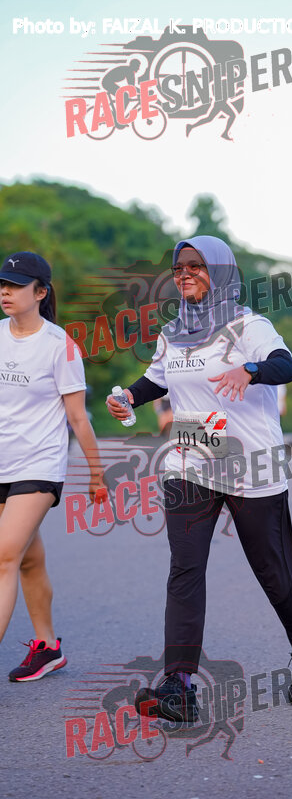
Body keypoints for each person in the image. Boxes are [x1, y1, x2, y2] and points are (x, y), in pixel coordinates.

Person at [106, 235, 292, 720]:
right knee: (185, 570)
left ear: (222, 272)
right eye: (178, 267)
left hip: (250, 464)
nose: (184, 273)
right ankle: (179, 687)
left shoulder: (249, 325)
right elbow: (157, 379)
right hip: (191, 462)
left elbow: (285, 365)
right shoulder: (173, 333)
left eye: (196, 265)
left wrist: (250, 369)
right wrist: (128, 397)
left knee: (273, 571)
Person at [0, 251, 104, 680]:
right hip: (2, 462)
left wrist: (97, 474)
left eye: (16, 284)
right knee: (27, 560)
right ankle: (47, 647)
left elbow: (78, 417)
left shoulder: (60, 345)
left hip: (38, 465)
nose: (5, 291)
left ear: (40, 292)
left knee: (4, 556)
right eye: (3, 283)